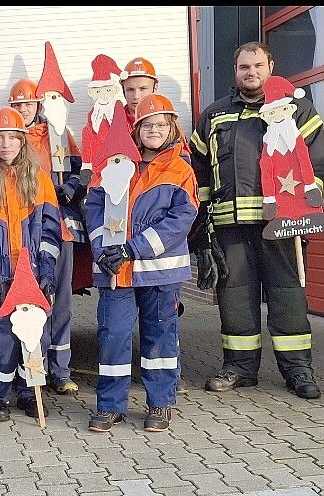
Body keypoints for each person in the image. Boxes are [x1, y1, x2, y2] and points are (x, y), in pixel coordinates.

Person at [190, 41, 324, 399]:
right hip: (229, 226)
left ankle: (298, 370)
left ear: (270, 65)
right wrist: (203, 219)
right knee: (234, 298)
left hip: (280, 226)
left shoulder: (297, 110)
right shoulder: (214, 114)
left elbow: (319, 162)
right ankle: (239, 367)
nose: (251, 72)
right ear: (235, 72)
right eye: (244, 67)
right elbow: (199, 168)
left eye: (258, 66)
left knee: (287, 296)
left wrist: (306, 207)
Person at [85, 97, 197, 433]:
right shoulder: (114, 164)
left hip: (159, 271)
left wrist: (133, 248)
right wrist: (101, 247)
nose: (154, 130)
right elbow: (93, 207)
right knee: (113, 336)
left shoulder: (181, 169)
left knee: (159, 338)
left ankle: (160, 405)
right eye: (148, 125)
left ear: (171, 128)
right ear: (137, 129)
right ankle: (110, 406)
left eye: (161, 125)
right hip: (115, 271)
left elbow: (182, 219)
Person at [0, 107, 60, 422]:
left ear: (22, 140)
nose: (6, 144)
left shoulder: (40, 178)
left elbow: (49, 231)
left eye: (12, 137)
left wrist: (45, 275)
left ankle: (30, 394)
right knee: (3, 340)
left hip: (31, 277)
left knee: (36, 337)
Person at [10, 77, 84, 398]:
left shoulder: (58, 134)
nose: (23, 109)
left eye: (28, 103)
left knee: (61, 302)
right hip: (24, 232)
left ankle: (61, 371)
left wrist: (67, 190)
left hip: (61, 229)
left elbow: (83, 171)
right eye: (17, 105)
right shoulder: (9, 140)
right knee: (30, 306)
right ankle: (31, 369)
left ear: (39, 105)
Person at [120, 57, 159, 129]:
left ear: (155, 88)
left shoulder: (166, 121)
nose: (136, 96)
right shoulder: (113, 120)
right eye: (130, 89)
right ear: (123, 90)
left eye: (143, 89)